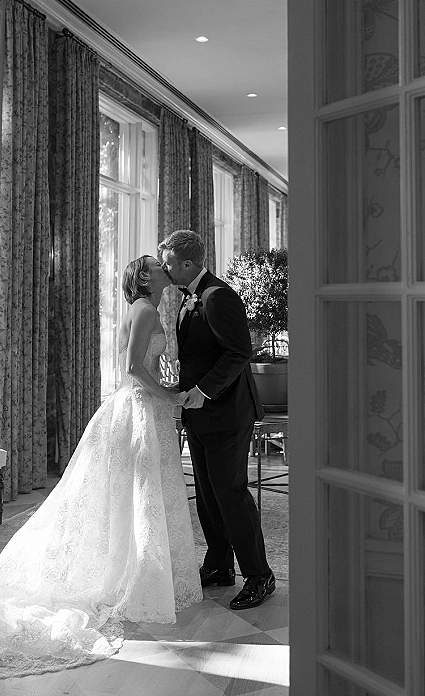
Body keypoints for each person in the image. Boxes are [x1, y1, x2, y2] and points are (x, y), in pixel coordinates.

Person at [0, 255, 202, 679]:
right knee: (139, 494)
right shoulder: (145, 309)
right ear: (146, 276)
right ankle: (132, 575)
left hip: (145, 408)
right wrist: (167, 396)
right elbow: (132, 368)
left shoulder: (147, 307)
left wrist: (166, 390)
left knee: (136, 495)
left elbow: (140, 366)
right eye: (155, 264)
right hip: (140, 410)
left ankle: (133, 569)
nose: (164, 267)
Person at [159, 230, 275, 610]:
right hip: (199, 414)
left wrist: (203, 390)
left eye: (169, 261)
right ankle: (220, 564)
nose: (165, 267)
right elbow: (202, 354)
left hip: (227, 414)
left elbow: (239, 352)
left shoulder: (218, 295)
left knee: (231, 494)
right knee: (208, 496)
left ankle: (260, 575)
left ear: (188, 263)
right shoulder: (190, 298)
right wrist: (182, 384)